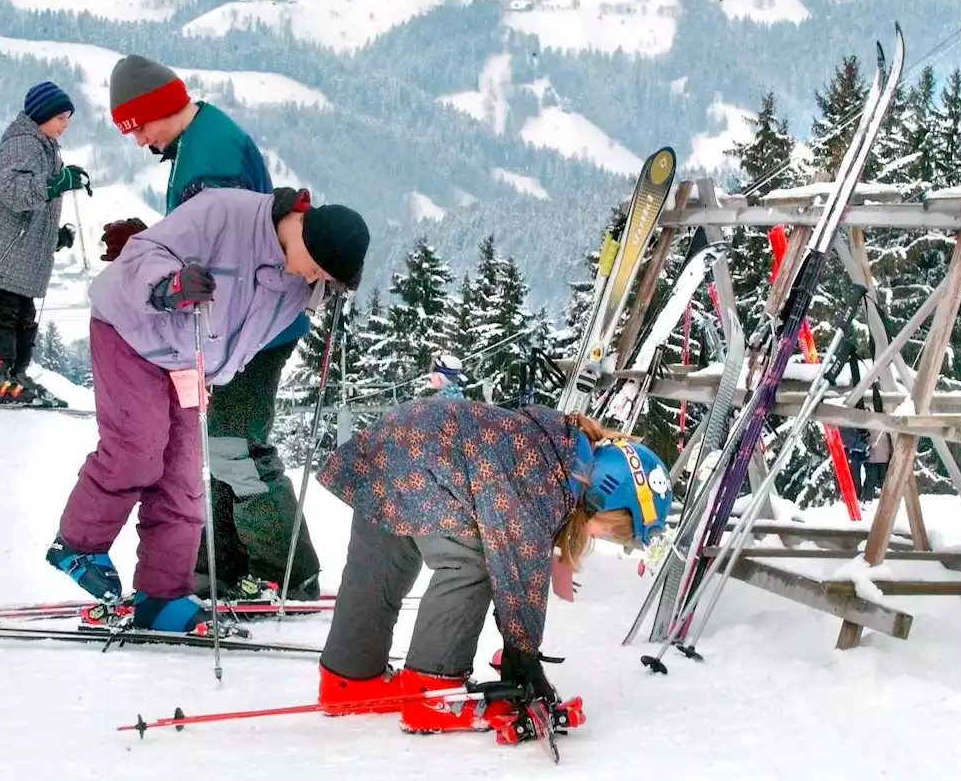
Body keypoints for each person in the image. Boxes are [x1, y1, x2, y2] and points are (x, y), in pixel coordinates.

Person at [46, 187, 370, 633]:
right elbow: (147, 249)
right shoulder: (225, 212)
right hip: (131, 333)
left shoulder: (300, 282)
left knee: (183, 480)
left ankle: (163, 594)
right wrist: (169, 285)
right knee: (138, 447)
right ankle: (78, 544)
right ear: (304, 231)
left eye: (324, 277)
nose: (313, 277)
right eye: (315, 265)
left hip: (190, 360)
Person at [100, 53, 323, 605]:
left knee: (234, 448)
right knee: (219, 443)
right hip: (244, 323)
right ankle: (221, 564)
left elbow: (222, 256)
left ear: (160, 109)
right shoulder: (198, 140)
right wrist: (153, 239)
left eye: (138, 126)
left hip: (252, 328)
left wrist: (156, 262)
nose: (137, 139)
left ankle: (285, 569)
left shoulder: (209, 159)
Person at [314, 398, 673, 735]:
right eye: (611, 530)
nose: (603, 537)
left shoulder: (555, 448)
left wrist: (520, 650)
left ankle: (350, 678)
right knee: (473, 562)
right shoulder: (547, 479)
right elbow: (518, 572)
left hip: (388, 444)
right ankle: (434, 694)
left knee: (381, 564)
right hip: (423, 462)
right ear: (602, 498)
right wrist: (525, 655)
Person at [0, 82, 89, 406]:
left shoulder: (45, 148)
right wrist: (56, 184)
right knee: (5, 312)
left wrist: (53, 237)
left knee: (23, 313)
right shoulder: (22, 145)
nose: (65, 125)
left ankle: (14, 374)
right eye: (60, 118)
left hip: (13, 256)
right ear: (42, 115)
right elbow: (12, 192)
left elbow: (30, 214)